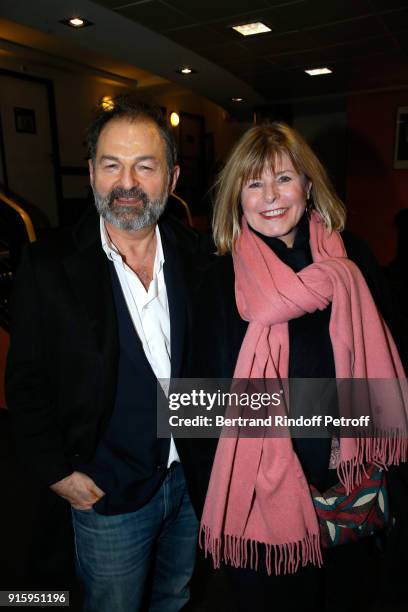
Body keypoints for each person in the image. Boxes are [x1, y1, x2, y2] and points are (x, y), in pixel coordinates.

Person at [191, 122, 408, 611]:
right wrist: (217, 497)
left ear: (309, 187)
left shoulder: (354, 259)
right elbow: (196, 406)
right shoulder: (216, 278)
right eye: (253, 183)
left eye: (284, 179)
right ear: (237, 197)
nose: (270, 196)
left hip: (353, 485)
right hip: (263, 495)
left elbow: (395, 364)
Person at [6, 96, 203, 612]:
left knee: (175, 596)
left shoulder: (202, 255)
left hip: (192, 484)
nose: (127, 183)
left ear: (173, 178)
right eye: (112, 164)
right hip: (106, 496)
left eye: (146, 166)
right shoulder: (47, 264)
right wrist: (57, 473)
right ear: (92, 173)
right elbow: (25, 381)